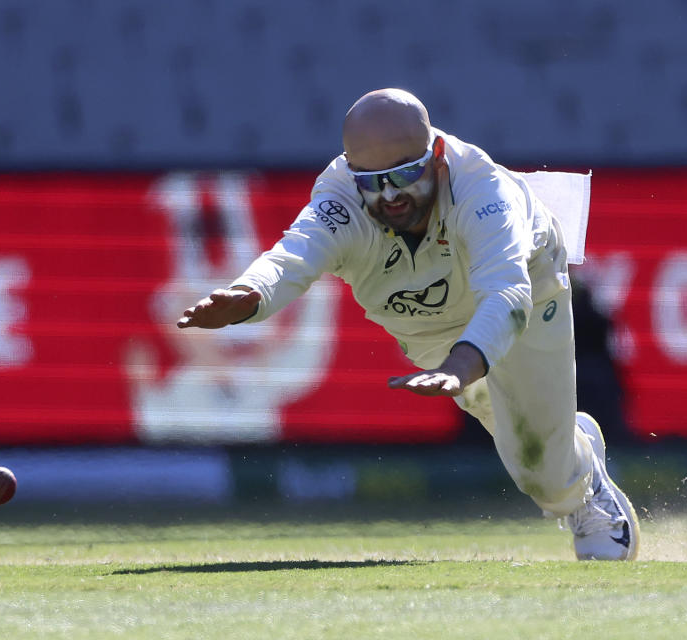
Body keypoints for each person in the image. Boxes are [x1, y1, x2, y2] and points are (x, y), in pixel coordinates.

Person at [178, 88, 640, 560]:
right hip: (428, 325)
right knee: (515, 432)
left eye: (404, 174)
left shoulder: (483, 189)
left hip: (527, 288)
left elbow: (507, 293)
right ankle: (569, 444)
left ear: (436, 156)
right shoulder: (342, 196)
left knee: (536, 464)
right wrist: (252, 294)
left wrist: (463, 364)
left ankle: (587, 501)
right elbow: (292, 256)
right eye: (374, 180)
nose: (391, 194)